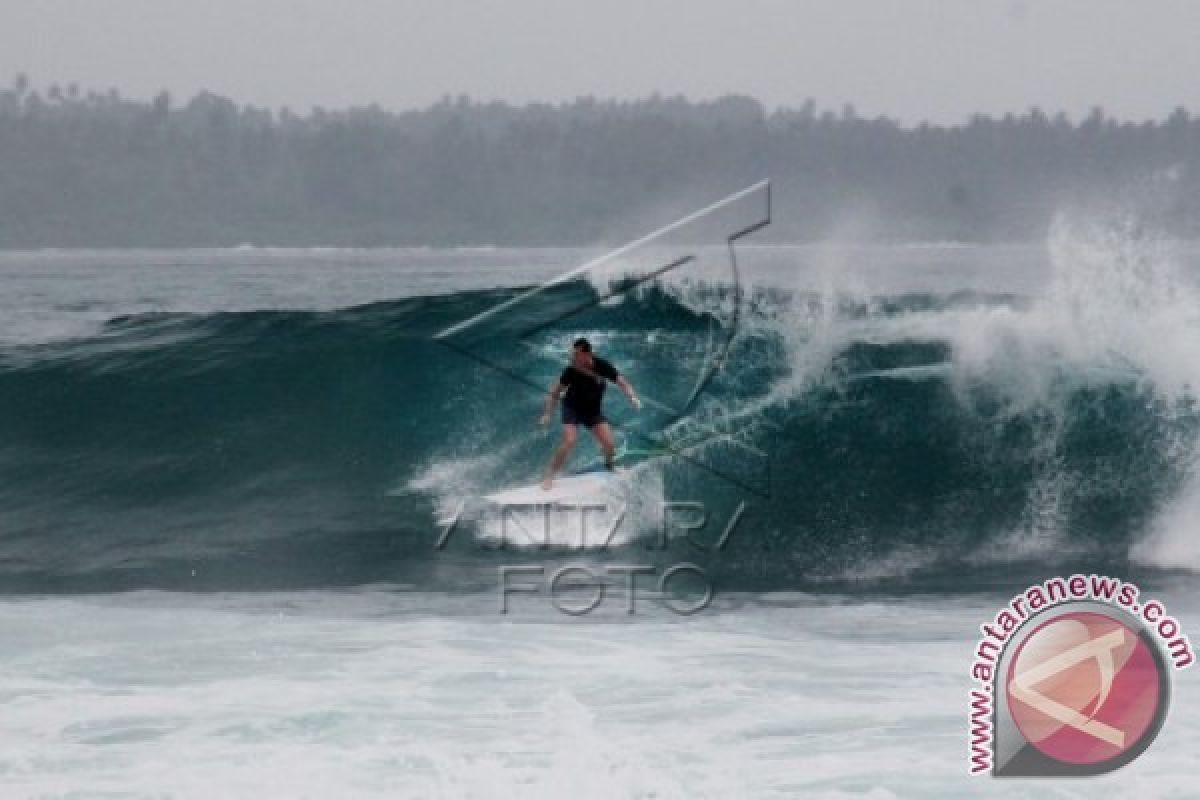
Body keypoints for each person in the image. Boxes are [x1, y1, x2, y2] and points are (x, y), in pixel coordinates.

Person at [539, 338, 640, 489]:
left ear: (588, 354)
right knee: (570, 441)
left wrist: (632, 397)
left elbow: (623, 383)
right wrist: (547, 414)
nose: (573, 358)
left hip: (592, 411)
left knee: (610, 445)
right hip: (571, 408)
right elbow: (555, 391)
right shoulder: (571, 370)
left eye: (576, 354)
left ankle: (609, 465)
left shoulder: (603, 366)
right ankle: (549, 476)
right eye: (572, 354)